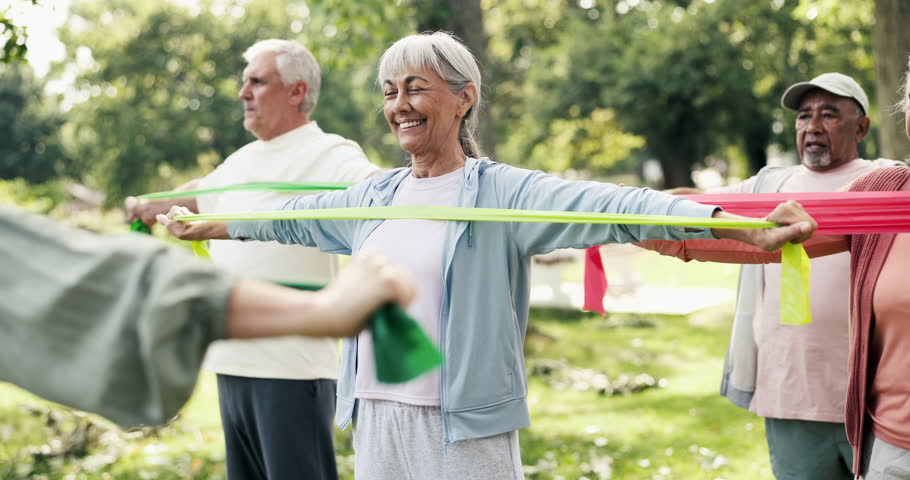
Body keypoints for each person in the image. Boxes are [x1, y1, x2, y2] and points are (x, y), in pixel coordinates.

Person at [159, 31, 816, 479]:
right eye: (390, 92)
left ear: (463, 97)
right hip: (376, 418)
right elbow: (293, 219)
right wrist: (210, 224)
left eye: (414, 87)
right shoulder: (371, 195)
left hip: (463, 428)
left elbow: (615, 207)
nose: (399, 106)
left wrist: (736, 226)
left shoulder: (502, 194)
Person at [127, 39, 380, 480]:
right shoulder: (242, 161)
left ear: (297, 91)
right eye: (245, 82)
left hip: (292, 368)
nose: (243, 92)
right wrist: (151, 205)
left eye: (257, 82)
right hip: (233, 363)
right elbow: (204, 194)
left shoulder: (329, 153)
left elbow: (376, 191)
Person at [666, 73, 902, 480]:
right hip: (791, 396)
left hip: (870, 399)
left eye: (829, 115)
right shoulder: (771, 184)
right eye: (803, 116)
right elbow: (703, 209)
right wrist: (625, 205)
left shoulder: (888, 183)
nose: (812, 126)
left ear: (861, 127)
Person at [0, 204, 414, 429]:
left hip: (296, 376)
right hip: (239, 372)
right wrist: (320, 310)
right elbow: (106, 286)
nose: (244, 92)